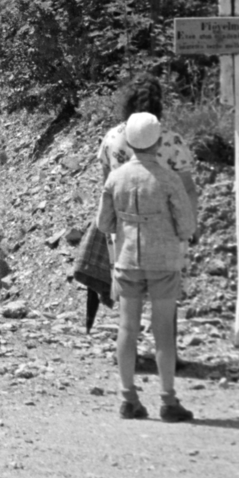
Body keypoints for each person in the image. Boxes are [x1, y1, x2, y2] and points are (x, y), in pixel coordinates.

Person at [96, 111, 198, 422]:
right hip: (163, 260)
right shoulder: (168, 179)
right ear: (158, 141)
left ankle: (128, 398)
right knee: (163, 330)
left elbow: (103, 223)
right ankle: (168, 401)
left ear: (128, 140)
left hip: (127, 259)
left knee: (127, 328)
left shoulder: (116, 177)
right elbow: (186, 226)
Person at [97, 74, 199, 223]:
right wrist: (192, 226)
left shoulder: (111, 139)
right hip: (165, 230)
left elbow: (107, 188)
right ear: (158, 105)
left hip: (125, 228)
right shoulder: (173, 141)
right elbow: (187, 190)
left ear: (127, 104)